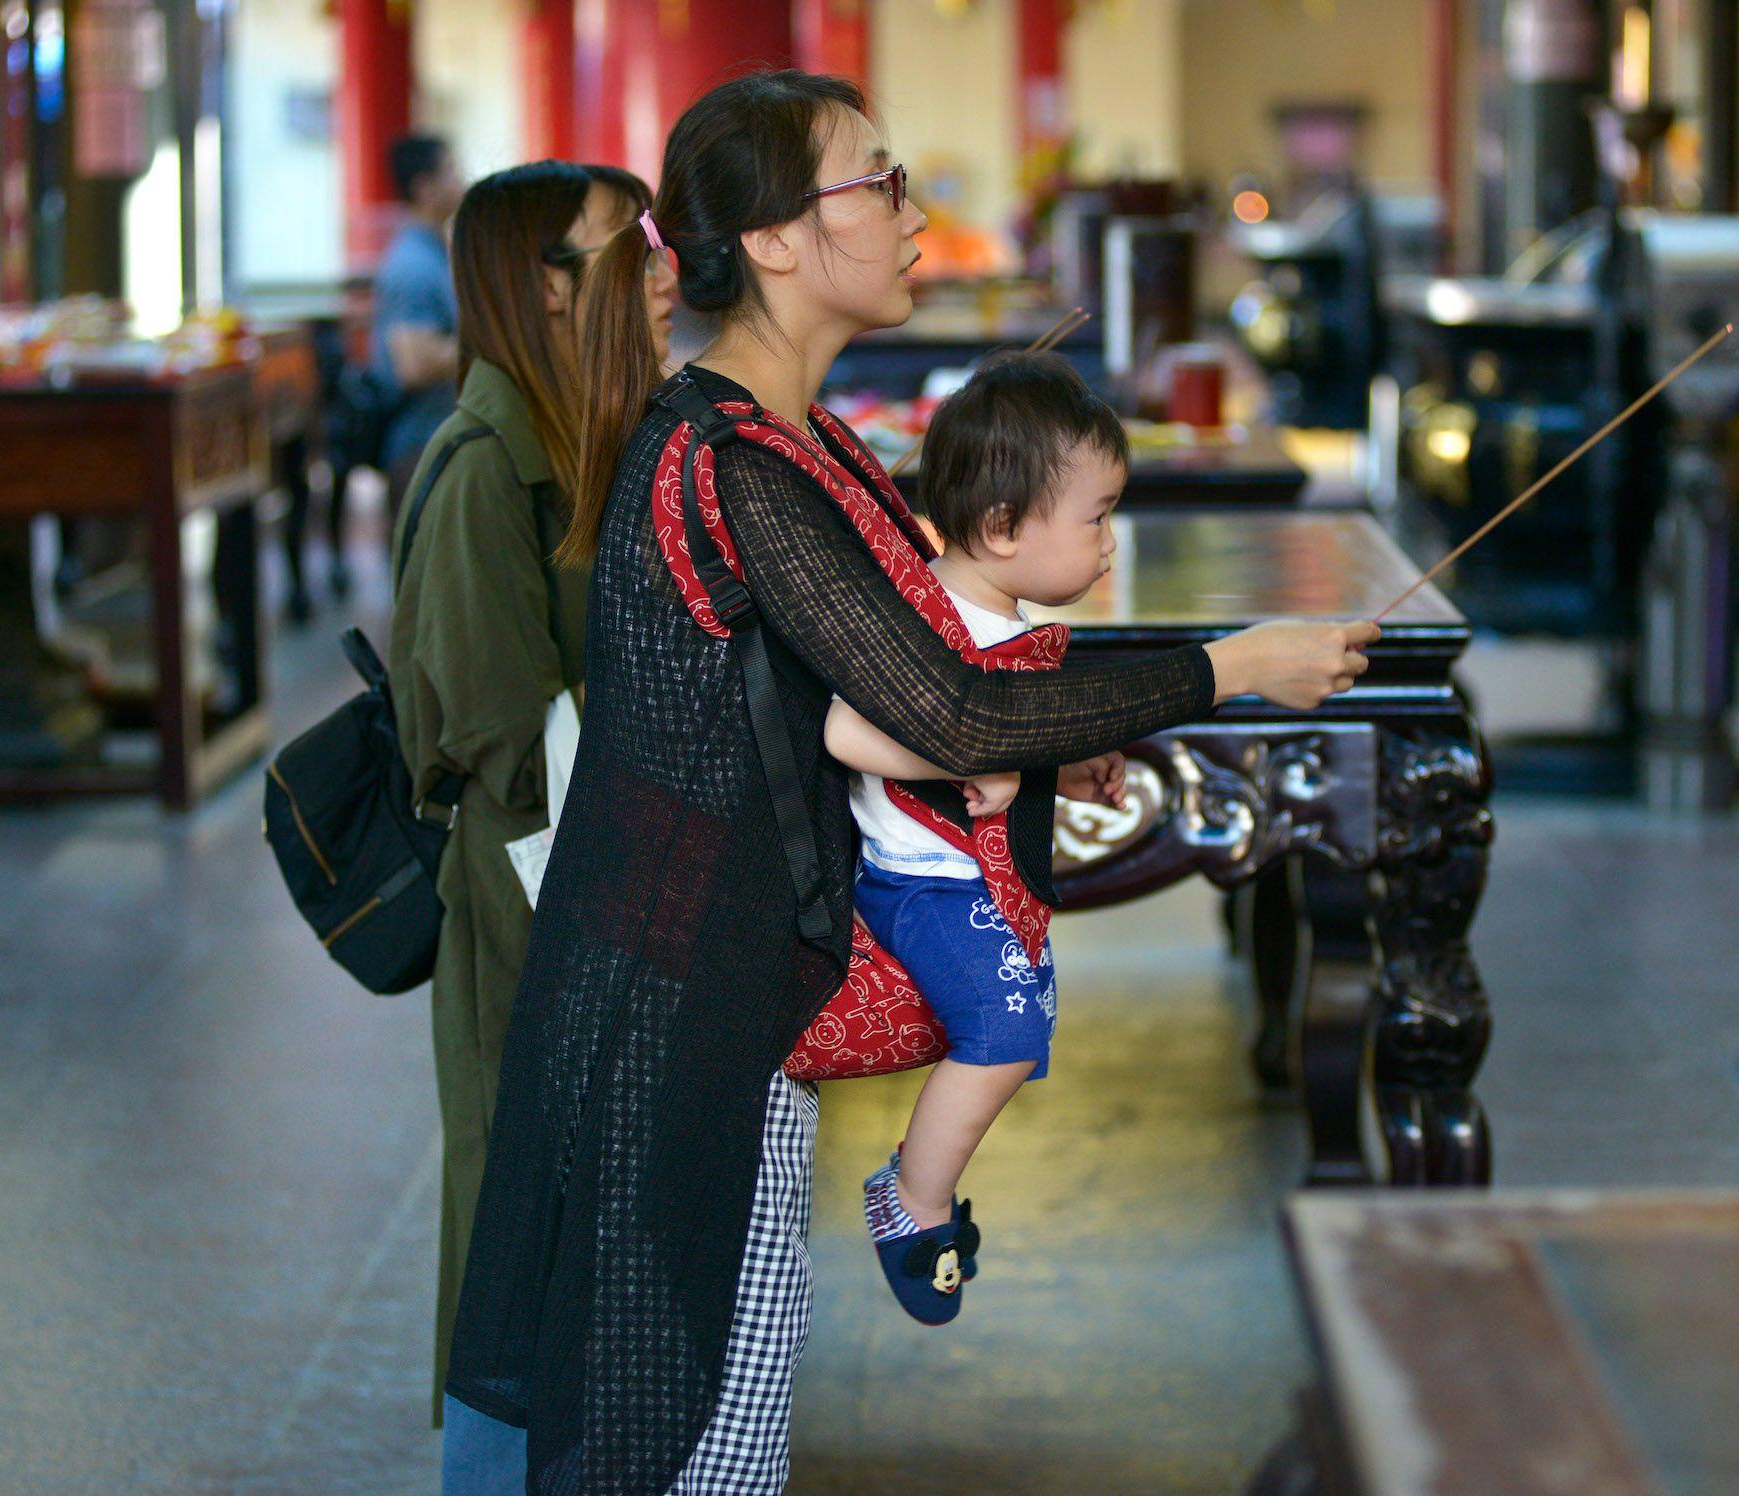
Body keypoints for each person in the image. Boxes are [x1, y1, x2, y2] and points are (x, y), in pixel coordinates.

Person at [445, 71, 1376, 1494]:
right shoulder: (727, 461)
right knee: (685, 1432)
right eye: (876, 183)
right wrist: (1230, 665)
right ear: (770, 240)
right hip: (679, 1016)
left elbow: (923, 664)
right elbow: (945, 705)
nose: (910, 209)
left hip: (730, 994)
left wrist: (1057, 700)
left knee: (718, 1417)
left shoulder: (800, 443)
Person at [386, 159, 676, 1456]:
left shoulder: (590, 436)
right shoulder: (481, 473)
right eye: (627, 249)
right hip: (532, 900)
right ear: (545, 291)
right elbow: (505, 740)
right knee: (519, 1211)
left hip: (603, 883)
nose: (662, 271)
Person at [823, 352, 1132, 1322]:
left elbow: (1004, 738)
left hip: (965, 880)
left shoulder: (994, 615)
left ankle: (918, 1186)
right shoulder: (929, 619)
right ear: (1001, 527)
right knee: (1003, 1034)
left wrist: (1055, 762)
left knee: (1021, 1023)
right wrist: (959, 754)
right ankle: (910, 1201)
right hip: (924, 885)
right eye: (1096, 517)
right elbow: (842, 728)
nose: (1110, 543)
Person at [371, 135, 468, 501]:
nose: (461, 180)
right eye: (451, 171)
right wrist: (495, 340)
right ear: (424, 188)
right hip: (418, 445)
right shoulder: (413, 264)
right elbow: (412, 364)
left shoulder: (432, 252)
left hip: (434, 438)